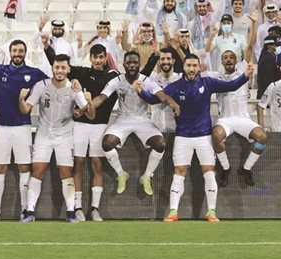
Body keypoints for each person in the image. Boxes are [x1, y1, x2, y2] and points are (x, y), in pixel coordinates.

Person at [136, 54, 254, 222]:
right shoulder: (175, 86)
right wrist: (140, 91)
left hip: (204, 136)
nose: (191, 69)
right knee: (179, 172)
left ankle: (211, 212)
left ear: (199, 68)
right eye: (188, 65)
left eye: (194, 66)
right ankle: (173, 212)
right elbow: (155, 100)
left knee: (209, 172)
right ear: (183, 67)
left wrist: (246, 75)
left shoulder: (208, 83)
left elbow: (232, 86)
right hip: (182, 137)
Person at [18, 54, 95, 223]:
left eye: (63, 68)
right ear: (52, 68)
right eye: (57, 67)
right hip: (43, 136)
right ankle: (29, 211)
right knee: (37, 170)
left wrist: (89, 103)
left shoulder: (73, 88)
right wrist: (21, 99)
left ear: (68, 69)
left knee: (66, 173)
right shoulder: (41, 86)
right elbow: (25, 110)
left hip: (65, 137)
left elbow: (90, 115)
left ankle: (70, 211)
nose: (59, 71)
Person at [0, 40, 50, 222]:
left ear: (25, 53)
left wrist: (74, 82)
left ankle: (25, 210)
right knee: (0, 167)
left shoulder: (33, 73)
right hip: (1, 127)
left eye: (20, 51)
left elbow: (53, 81)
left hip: (23, 127)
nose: (17, 53)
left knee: (24, 167)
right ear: (10, 52)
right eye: (14, 50)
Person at [95, 51, 180, 196]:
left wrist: (174, 104)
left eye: (135, 62)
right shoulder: (117, 80)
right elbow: (102, 97)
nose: (132, 65)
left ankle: (146, 176)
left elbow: (162, 96)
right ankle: (121, 174)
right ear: (124, 65)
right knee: (106, 143)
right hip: (122, 120)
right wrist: (87, 105)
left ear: (139, 64)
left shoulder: (146, 80)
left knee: (161, 144)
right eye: (129, 62)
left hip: (143, 120)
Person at [67, 44, 120, 222]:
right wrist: (45, 45)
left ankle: (95, 209)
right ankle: (77, 207)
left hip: (101, 126)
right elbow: (60, 66)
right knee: (79, 164)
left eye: (101, 57)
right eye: (95, 57)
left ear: (105, 58)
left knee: (97, 165)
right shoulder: (81, 73)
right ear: (90, 58)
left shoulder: (113, 76)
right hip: (80, 125)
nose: (98, 60)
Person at [208, 46, 261, 187]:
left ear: (236, 60)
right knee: (216, 135)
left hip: (243, 119)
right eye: (225, 58)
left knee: (262, 137)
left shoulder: (242, 72)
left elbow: (249, 47)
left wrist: (254, 25)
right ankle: (226, 168)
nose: (228, 60)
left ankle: (246, 169)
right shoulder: (216, 77)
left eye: (231, 57)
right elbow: (190, 67)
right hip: (225, 119)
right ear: (221, 62)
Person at [150, 48, 182, 132]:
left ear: (173, 61)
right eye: (162, 59)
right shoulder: (153, 78)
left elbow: (190, 65)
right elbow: (140, 74)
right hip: (155, 127)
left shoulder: (180, 78)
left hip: (176, 128)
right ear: (158, 61)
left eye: (168, 58)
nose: (165, 61)